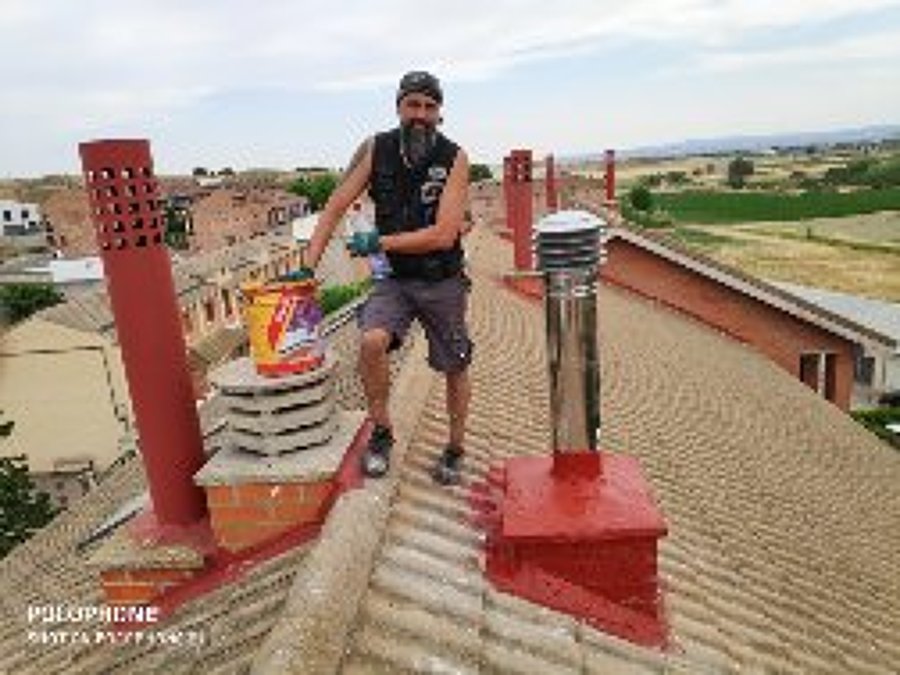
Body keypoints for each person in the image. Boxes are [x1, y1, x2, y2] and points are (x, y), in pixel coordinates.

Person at [303, 71, 472, 485]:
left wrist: (379, 242)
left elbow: (444, 234)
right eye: (413, 104)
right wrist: (307, 266)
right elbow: (335, 206)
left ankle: (455, 447)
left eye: (430, 107)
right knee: (371, 341)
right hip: (395, 280)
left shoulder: (455, 157)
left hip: (442, 280)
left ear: (440, 113)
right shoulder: (375, 149)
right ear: (399, 107)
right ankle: (381, 432)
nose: (421, 115)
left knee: (455, 364)